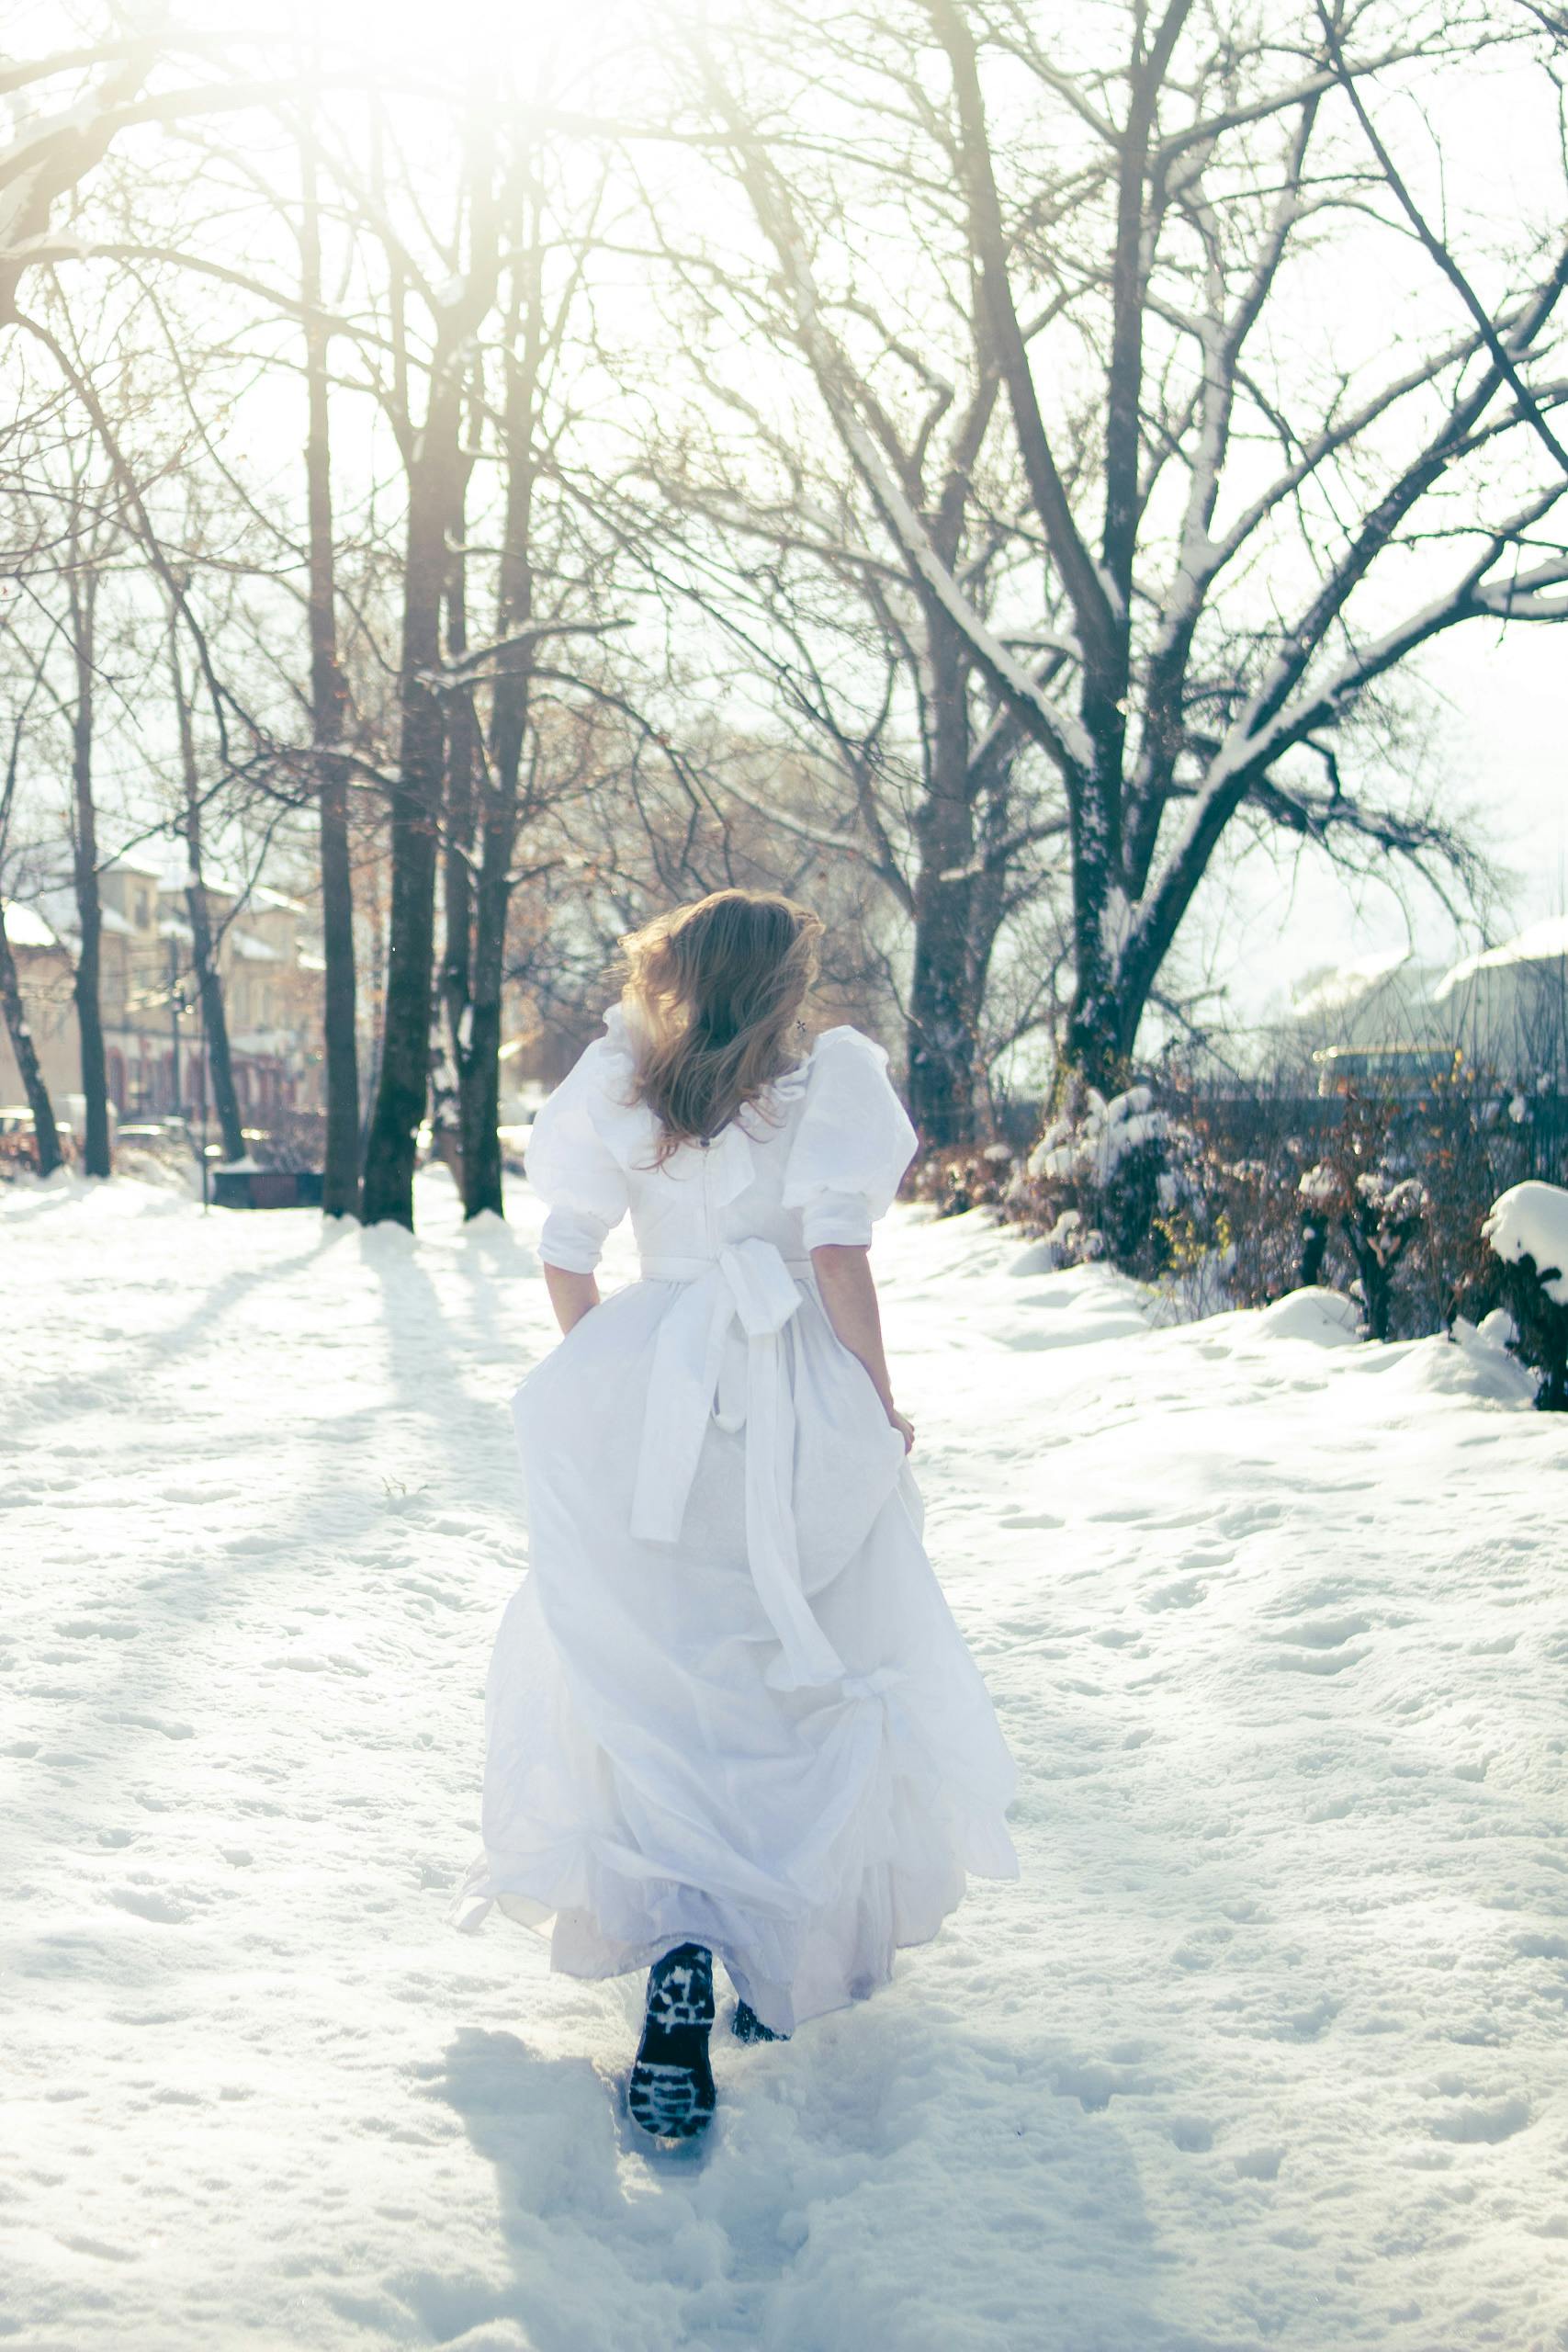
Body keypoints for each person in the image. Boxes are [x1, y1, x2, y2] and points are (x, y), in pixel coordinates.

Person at [457, 889, 1017, 2141]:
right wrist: (874, 1402)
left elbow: (564, 1248)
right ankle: (771, 1956)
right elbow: (834, 1256)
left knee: (663, 1673)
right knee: (798, 1660)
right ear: (779, 985)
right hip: (785, 1390)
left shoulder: (625, 1086)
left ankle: (682, 1953)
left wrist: (611, 1372)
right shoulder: (827, 1087)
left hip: (658, 1374)